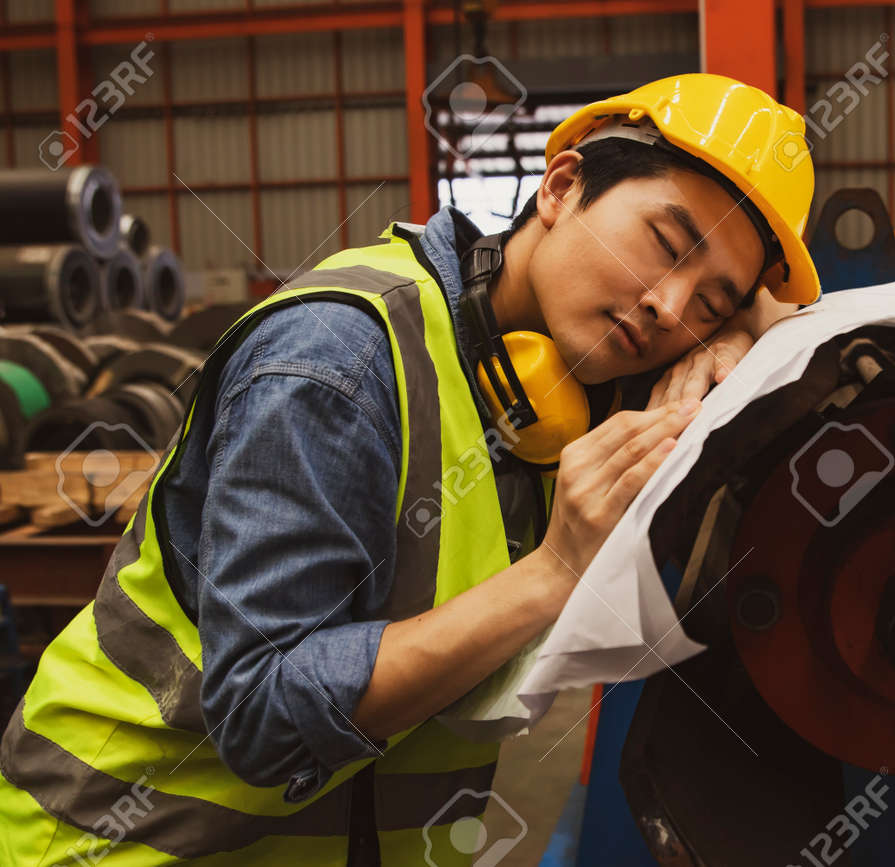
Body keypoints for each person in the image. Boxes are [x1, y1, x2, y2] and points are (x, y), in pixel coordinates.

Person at [0, 72, 819, 865]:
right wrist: (553, 571)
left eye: (708, 299)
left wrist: (733, 333)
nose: (668, 307)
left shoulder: (581, 371)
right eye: (664, 246)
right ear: (563, 185)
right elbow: (261, 711)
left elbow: (789, 315)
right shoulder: (337, 365)